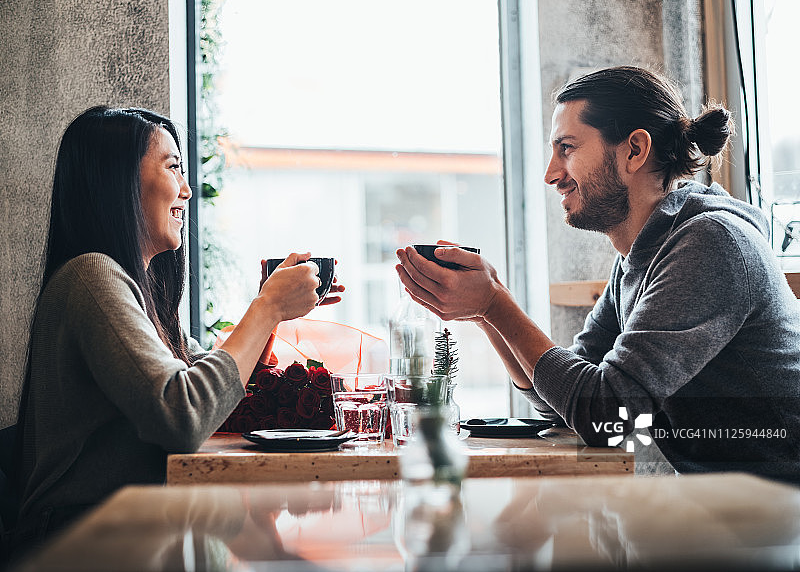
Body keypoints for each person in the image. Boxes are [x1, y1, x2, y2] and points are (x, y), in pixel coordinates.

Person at [396, 66, 800, 482]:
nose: (551, 174)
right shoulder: (640, 256)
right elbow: (562, 402)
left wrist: (498, 306)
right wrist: (484, 313)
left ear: (634, 151)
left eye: (566, 148)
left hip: (777, 517)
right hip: (730, 512)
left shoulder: (710, 243)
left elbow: (609, 414)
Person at [10, 106, 343, 554]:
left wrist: (274, 313)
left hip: (133, 534)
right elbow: (183, 415)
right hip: (81, 544)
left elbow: (212, 395)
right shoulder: (91, 278)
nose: (187, 190)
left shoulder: (141, 297)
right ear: (119, 182)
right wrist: (265, 309)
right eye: (174, 168)